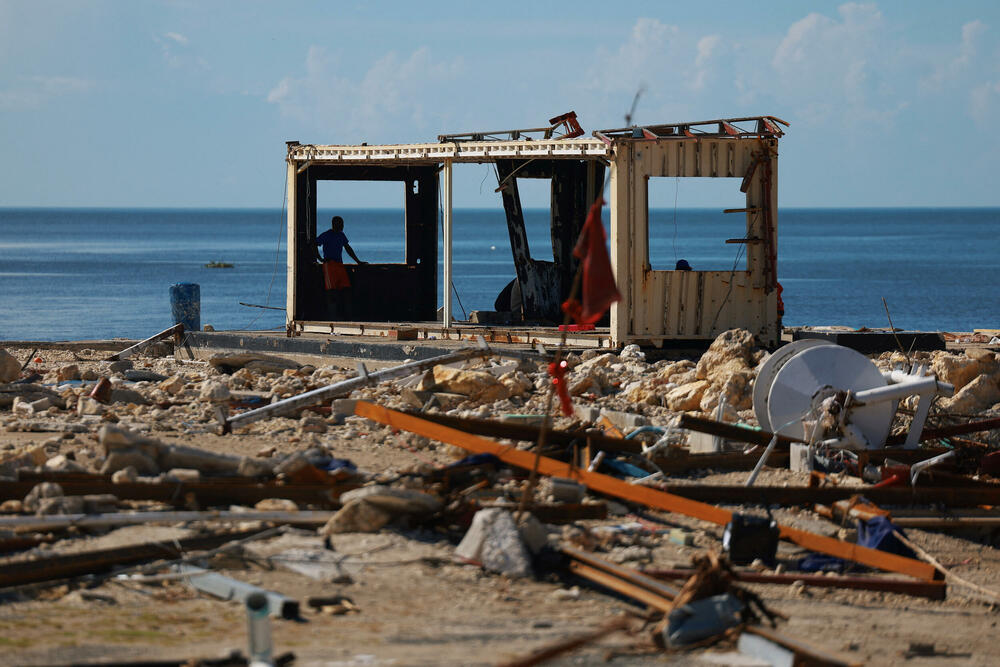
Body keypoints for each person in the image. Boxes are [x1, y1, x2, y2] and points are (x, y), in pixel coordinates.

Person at [315, 216, 365, 317]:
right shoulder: (327, 235)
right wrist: (320, 259)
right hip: (329, 265)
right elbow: (314, 244)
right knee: (331, 291)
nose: (342, 226)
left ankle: (346, 315)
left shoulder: (341, 235)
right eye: (340, 224)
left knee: (346, 289)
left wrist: (358, 261)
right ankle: (332, 316)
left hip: (339, 265)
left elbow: (348, 248)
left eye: (342, 224)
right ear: (334, 224)